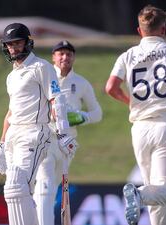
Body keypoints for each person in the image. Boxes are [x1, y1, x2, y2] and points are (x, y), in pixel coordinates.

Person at [105, 5, 166, 225]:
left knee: (158, 201)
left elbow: (111, 88)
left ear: (139, 31)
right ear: (163, 30)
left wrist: (131, 103)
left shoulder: (127, 55)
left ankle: (142, 196)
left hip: (140, 129)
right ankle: (139, 195)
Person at [0, 23, 77, 225]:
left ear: (28, 43)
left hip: (34, 133)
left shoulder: (41, 67)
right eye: (10, 44)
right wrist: (1, 146)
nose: (13, 48)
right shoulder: (11, 76)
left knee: (17, 185)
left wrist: (63, 133)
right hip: (13, 135)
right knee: (14, 192)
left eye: (18, 43)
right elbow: (10, 113)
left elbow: (56, 99)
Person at [33, 40, 102, 225]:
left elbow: (97, 113)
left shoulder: (81, 83)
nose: (65, 57)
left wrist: (80, 117)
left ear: (73, 58)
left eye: (69, 54)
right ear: (53, 57)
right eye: (60, 53)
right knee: (44, 184)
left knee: (53, 186)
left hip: (67, 142)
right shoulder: (44, 77)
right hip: (45, 137)